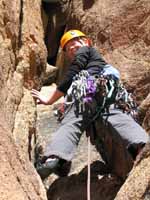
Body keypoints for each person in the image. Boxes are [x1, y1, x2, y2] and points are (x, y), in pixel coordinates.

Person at [31, 30, 149, 180]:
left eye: (76, 43)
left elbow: (73, 73)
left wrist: (50, 99)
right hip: (106, 94)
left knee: (72, 121)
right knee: (115, 115)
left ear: (86, 42)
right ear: (66, 54)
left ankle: (55, 158)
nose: (73, 47)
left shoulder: (86, 51)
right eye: (69, 47)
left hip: (90, 89)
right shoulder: (92, 59)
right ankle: (141, 146)